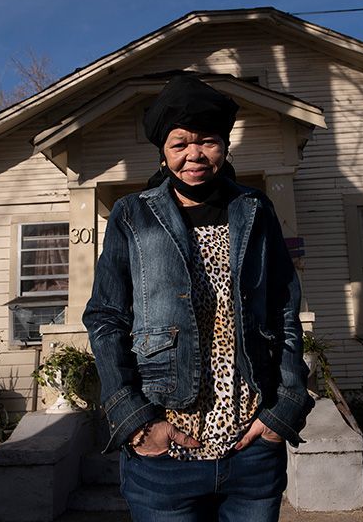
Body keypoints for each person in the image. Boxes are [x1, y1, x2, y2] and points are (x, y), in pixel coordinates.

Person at [83, 74, 314, 522]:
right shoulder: (133, 215)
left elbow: (284, 308)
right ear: (163, 151)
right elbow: (106, 318)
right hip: (163, 458)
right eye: (179, 143)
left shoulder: (255, 209)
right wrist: (136, 421)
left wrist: (285, 407)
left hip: (251, 449)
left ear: (224, 145)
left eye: (207, 141)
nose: (194, 154)